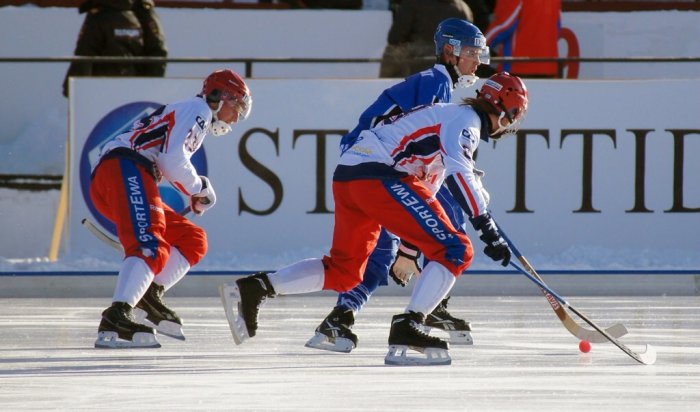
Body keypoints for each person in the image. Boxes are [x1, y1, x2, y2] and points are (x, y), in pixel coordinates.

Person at [220, 71, 527, 365]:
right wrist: (487, 229)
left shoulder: (452, 118)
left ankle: (257, 287)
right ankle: (409, 325)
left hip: (350, 176)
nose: (509, 126)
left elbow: (427, 195)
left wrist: (409, 251)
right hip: (378, 176)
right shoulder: (466, 121)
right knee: (456, 249)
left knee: (345, 272)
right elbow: (460, 176)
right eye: (513, 117)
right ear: (504, 111)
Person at [304, 18, 490, 354]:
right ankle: (416, 310)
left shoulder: (439, 83)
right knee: (443, 225)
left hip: (371, 162)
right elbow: (427, 163)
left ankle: (344, 317)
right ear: (450, 52)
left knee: (395, 245)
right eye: (471, 53)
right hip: (375, 166)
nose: (478, 61)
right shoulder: (437, 85)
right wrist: (410, 250)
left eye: (480, 53)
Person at [92, 69, 252, 348]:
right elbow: (172, 160)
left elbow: (167, 159)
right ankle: (117, 316)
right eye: (235, 106)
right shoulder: (198, 110)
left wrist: (193, 189)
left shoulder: (192, 111)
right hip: (124, 167)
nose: (236, 117)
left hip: (122, 173)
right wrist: (198, 187)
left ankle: (148, 294)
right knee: (150, 243)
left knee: (192, 239)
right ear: (217, 97)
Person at [62, 0, 168, 98]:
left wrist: (73, 90)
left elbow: (85, 55)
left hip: (102, 91)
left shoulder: (99, 15)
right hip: (137, 91)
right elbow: (158, 51)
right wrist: (150, 88)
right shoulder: (144, 11)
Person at [379, 0, 474, 78]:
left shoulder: (413, 3)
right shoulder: (464, 8)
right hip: (452, 67)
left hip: (417, 63)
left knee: (392, 51)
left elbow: (394, 38)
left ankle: (382, 87)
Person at [486, 0, 562, 78]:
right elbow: (557, 28)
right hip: (548, 64)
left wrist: (480, 44)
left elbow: (505, 25)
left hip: (517, 65)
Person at [132, 0, 168, 77]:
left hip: (138, 80)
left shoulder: (142, 10)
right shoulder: (103, 10)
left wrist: (150, 83)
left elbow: (157, 49)